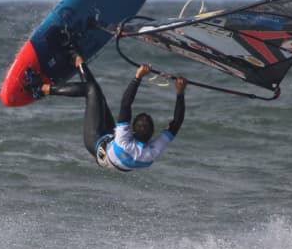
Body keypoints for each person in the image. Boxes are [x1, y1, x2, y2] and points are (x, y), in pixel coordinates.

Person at [37, 55, 186, 171]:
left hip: (95, 142)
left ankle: (40, 89)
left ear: (130, 129)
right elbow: (176, 124)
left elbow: (126, 104)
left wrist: (138, 77)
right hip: (113, 146)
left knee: (92, 90)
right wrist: (180, 92)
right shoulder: (151, 152)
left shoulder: (125, 140)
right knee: (97, 95)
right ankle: (77, 60)